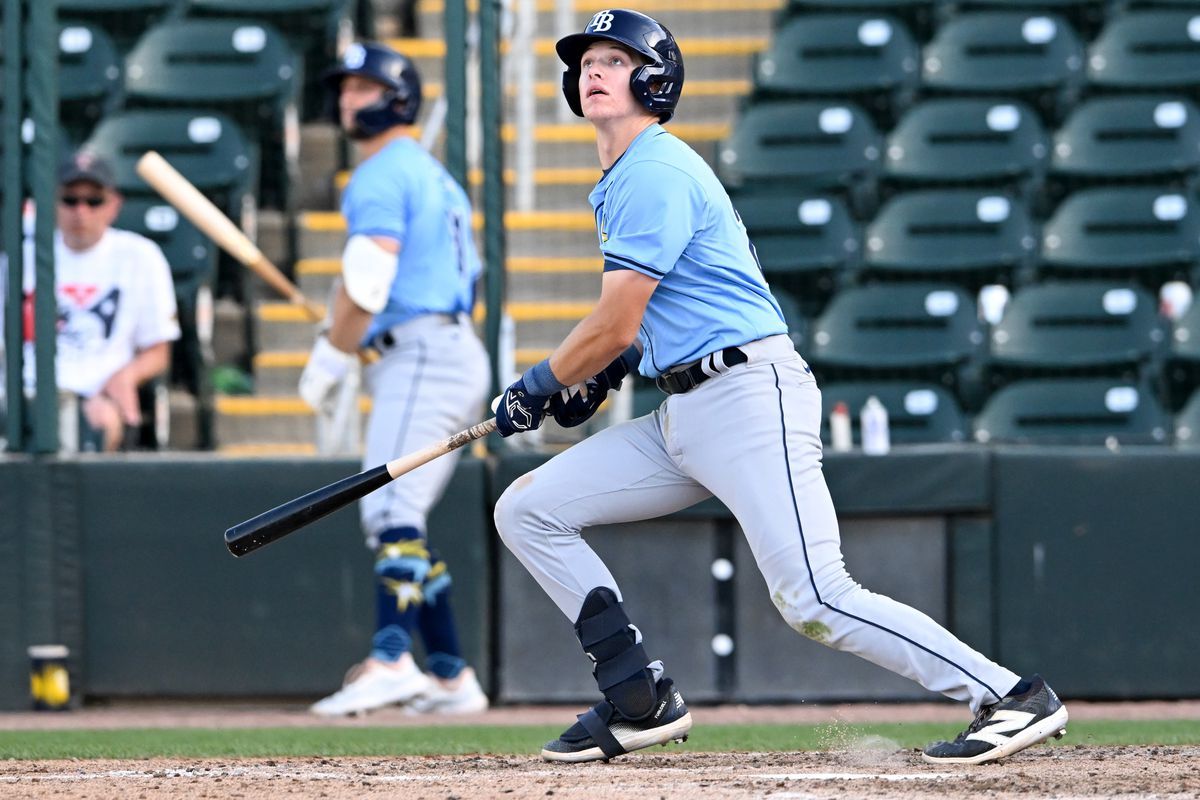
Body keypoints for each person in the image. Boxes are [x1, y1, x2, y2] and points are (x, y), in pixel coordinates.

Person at [492, 9, 1069, 764]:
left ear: (656, 79)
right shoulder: (628, 176)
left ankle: (1008, 696)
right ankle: (637, 696)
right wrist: (608, 372)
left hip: (746, 398)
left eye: (615, 58)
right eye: (586, 61)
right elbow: (665, 310)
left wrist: (541, 384)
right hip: (686, 412)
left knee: (815, 599)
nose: (594, 70)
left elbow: (614, 320)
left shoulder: (654, 169)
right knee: (528, 509)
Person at [299, 41, 490, 716]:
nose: (351, 99)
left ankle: (390, 658)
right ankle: (449, 675)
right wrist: (345, 337)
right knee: (400, 513)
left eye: (366, 88)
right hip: (443, 348)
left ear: (400, 97)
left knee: (388, 509)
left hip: (423, 352)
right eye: (346, 89)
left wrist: (331, 352)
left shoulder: (380, 173)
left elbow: (369, 281)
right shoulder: (430, 174)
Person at [49, 151, 180, 452]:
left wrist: (126, 377)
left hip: (97, 391)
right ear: (53, 203)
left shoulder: (140, 256)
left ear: (114, 205)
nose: (81, 211)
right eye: (70, 200)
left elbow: (159, 351)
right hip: (24, 394)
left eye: (93, 201)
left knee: (100, 422)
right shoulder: (23, 255)